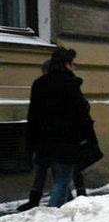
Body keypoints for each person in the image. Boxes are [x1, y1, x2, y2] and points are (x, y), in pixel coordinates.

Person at [25, 48, 95, 208]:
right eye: (73, 64)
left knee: (61, 178)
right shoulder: (69, 83)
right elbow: (81, 113)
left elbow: (33, 114)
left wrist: (31, 142)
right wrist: (89, 138)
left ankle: (68, 211)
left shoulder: (39, 83)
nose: (74, 67)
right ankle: (52, 215)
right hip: (67, 141)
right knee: (63, 181)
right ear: (67, 64)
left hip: (45, 140)